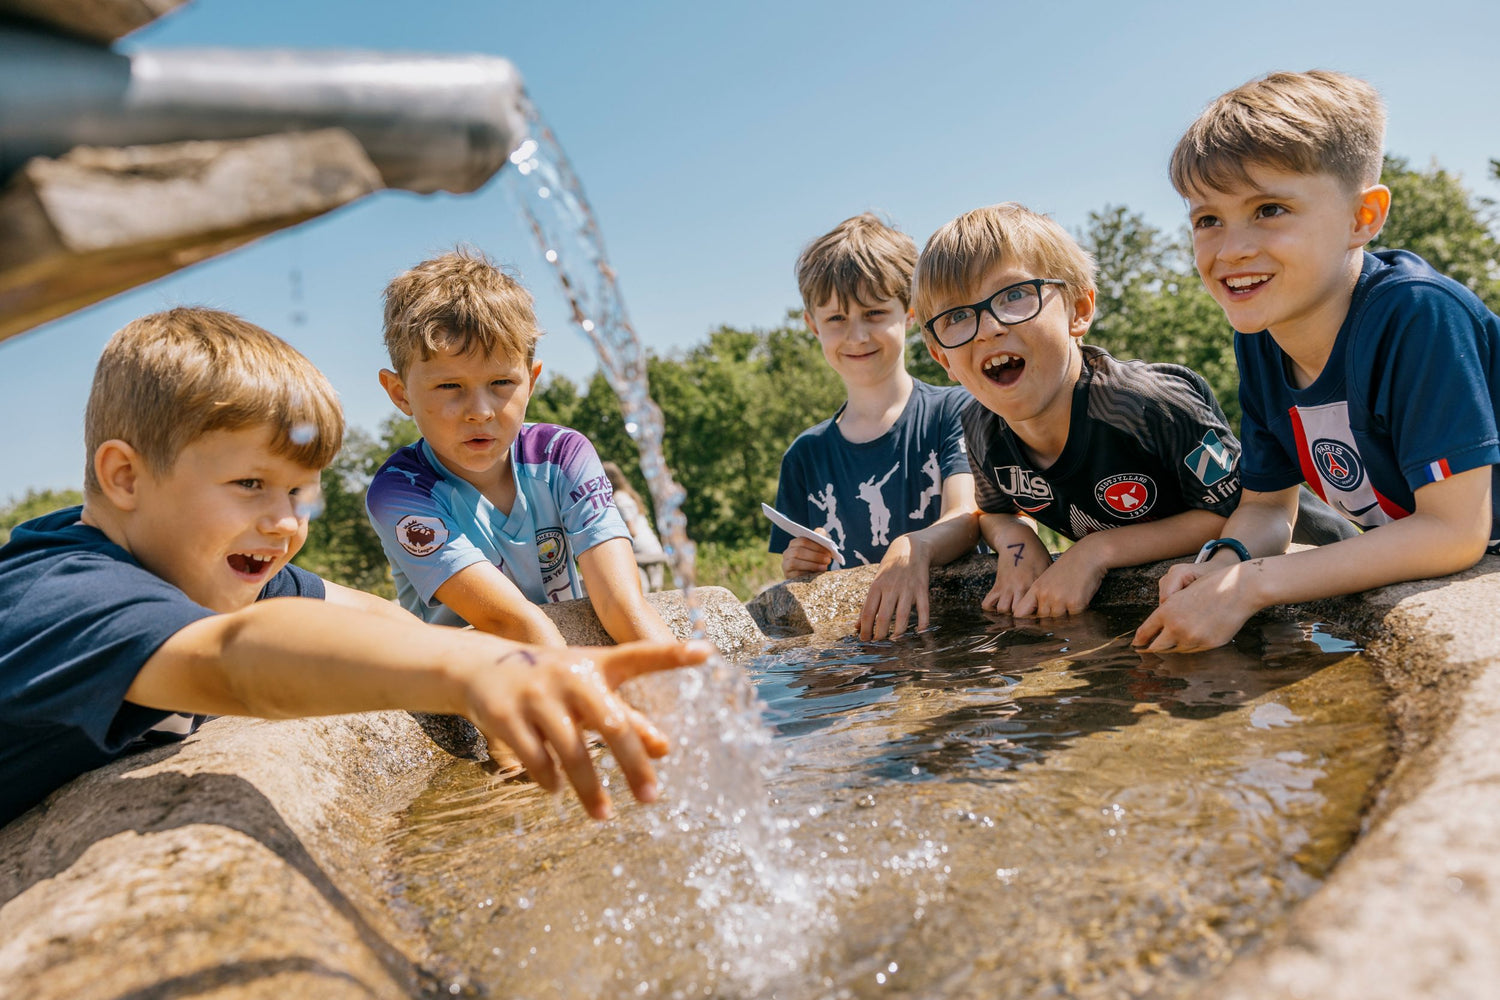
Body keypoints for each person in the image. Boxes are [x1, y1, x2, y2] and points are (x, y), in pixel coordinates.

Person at [0, 308, 711, 827]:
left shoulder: (200, 563)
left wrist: (500, 660)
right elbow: (234, 661)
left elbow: (370, 616)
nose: (285, 523)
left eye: (297, 493)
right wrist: (474, 672)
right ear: (125, 477)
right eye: (250, 485)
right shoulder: (62, 595)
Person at [1136, 70, 1499, 653]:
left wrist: (1252, 586)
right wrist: (1224, 559)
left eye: (1270, 209)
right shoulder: (1260, 336)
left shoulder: (1417, 316)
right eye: (1207, 220)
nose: (1231, 250)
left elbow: (1454, 532)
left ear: (1363, 219)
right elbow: (1265, 505)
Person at [915, 202, 1257, 617]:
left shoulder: (1147, 406)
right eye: (956, 316)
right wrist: (1017, 544)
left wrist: (1098, 551)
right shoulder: (981, 429)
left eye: (1016, 295)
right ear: (942, 359)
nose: (989, 328)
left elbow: (1243, 512)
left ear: (1079, 310)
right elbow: (995, 513)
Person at [365, 248, 676, 648]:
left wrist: (687, 686)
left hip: (565, 660)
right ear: (399, 393)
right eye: (448, 386)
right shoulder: (401, 491)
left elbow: (622, 604)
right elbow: (512, 623)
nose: (479, 412)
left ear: (531, 380)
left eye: (501, 383)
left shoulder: (562, 455)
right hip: (470, 683)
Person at [770, 213, 979, 641]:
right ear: (812, 324)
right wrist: (800, 565)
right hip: (861, 652)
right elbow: (799, 575)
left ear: (909, 314)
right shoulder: (804, 455)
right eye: (836, 320)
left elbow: (968, 515)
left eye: (874, 312)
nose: (858, 336)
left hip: (960, 633)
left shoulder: (956, 411)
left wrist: (910, 547)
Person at [601, 460, 668, 593]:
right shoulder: (628, 495)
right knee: (657, 592)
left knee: (642, 592)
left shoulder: (619, 499)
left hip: (640, 552)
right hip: (652, 547)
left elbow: (632, 530)